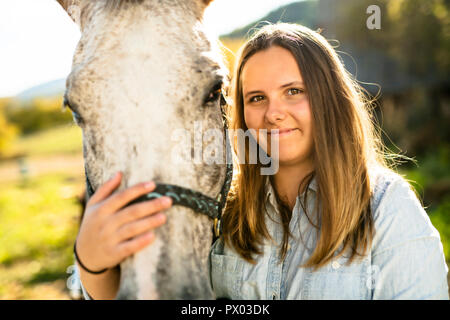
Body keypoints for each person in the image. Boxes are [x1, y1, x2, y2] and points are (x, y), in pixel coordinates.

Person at [75, 23, 449, 300]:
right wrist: (92, 261)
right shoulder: (219, 211)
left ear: (329, 99)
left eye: (293, 92)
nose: (274, 113)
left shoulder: (386, 208)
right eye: (256, 98)